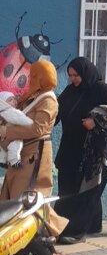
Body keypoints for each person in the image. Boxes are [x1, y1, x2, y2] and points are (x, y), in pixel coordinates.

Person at [55, 57, 107, 244]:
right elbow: (56, 111)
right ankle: (92, 224)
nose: (73, 79)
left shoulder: (101, 89)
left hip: (95, 148)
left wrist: (95, 121)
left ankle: (76, 230)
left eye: (76, 75)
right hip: (71, 145)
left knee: (89, 186)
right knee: (69, 184)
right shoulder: (70, 91)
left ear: (85, 73)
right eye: (70, 75)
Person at [0, 59, 68, 239]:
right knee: (15, 194)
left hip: (35, 153)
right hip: (24, 151)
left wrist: (7, 131)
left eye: (34, 75)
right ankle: (17, 236)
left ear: (42, 77)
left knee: (29, 197)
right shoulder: (34, 95)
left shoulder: (49, 100)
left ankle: (44, 236)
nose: (30, 79)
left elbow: (39, 129)